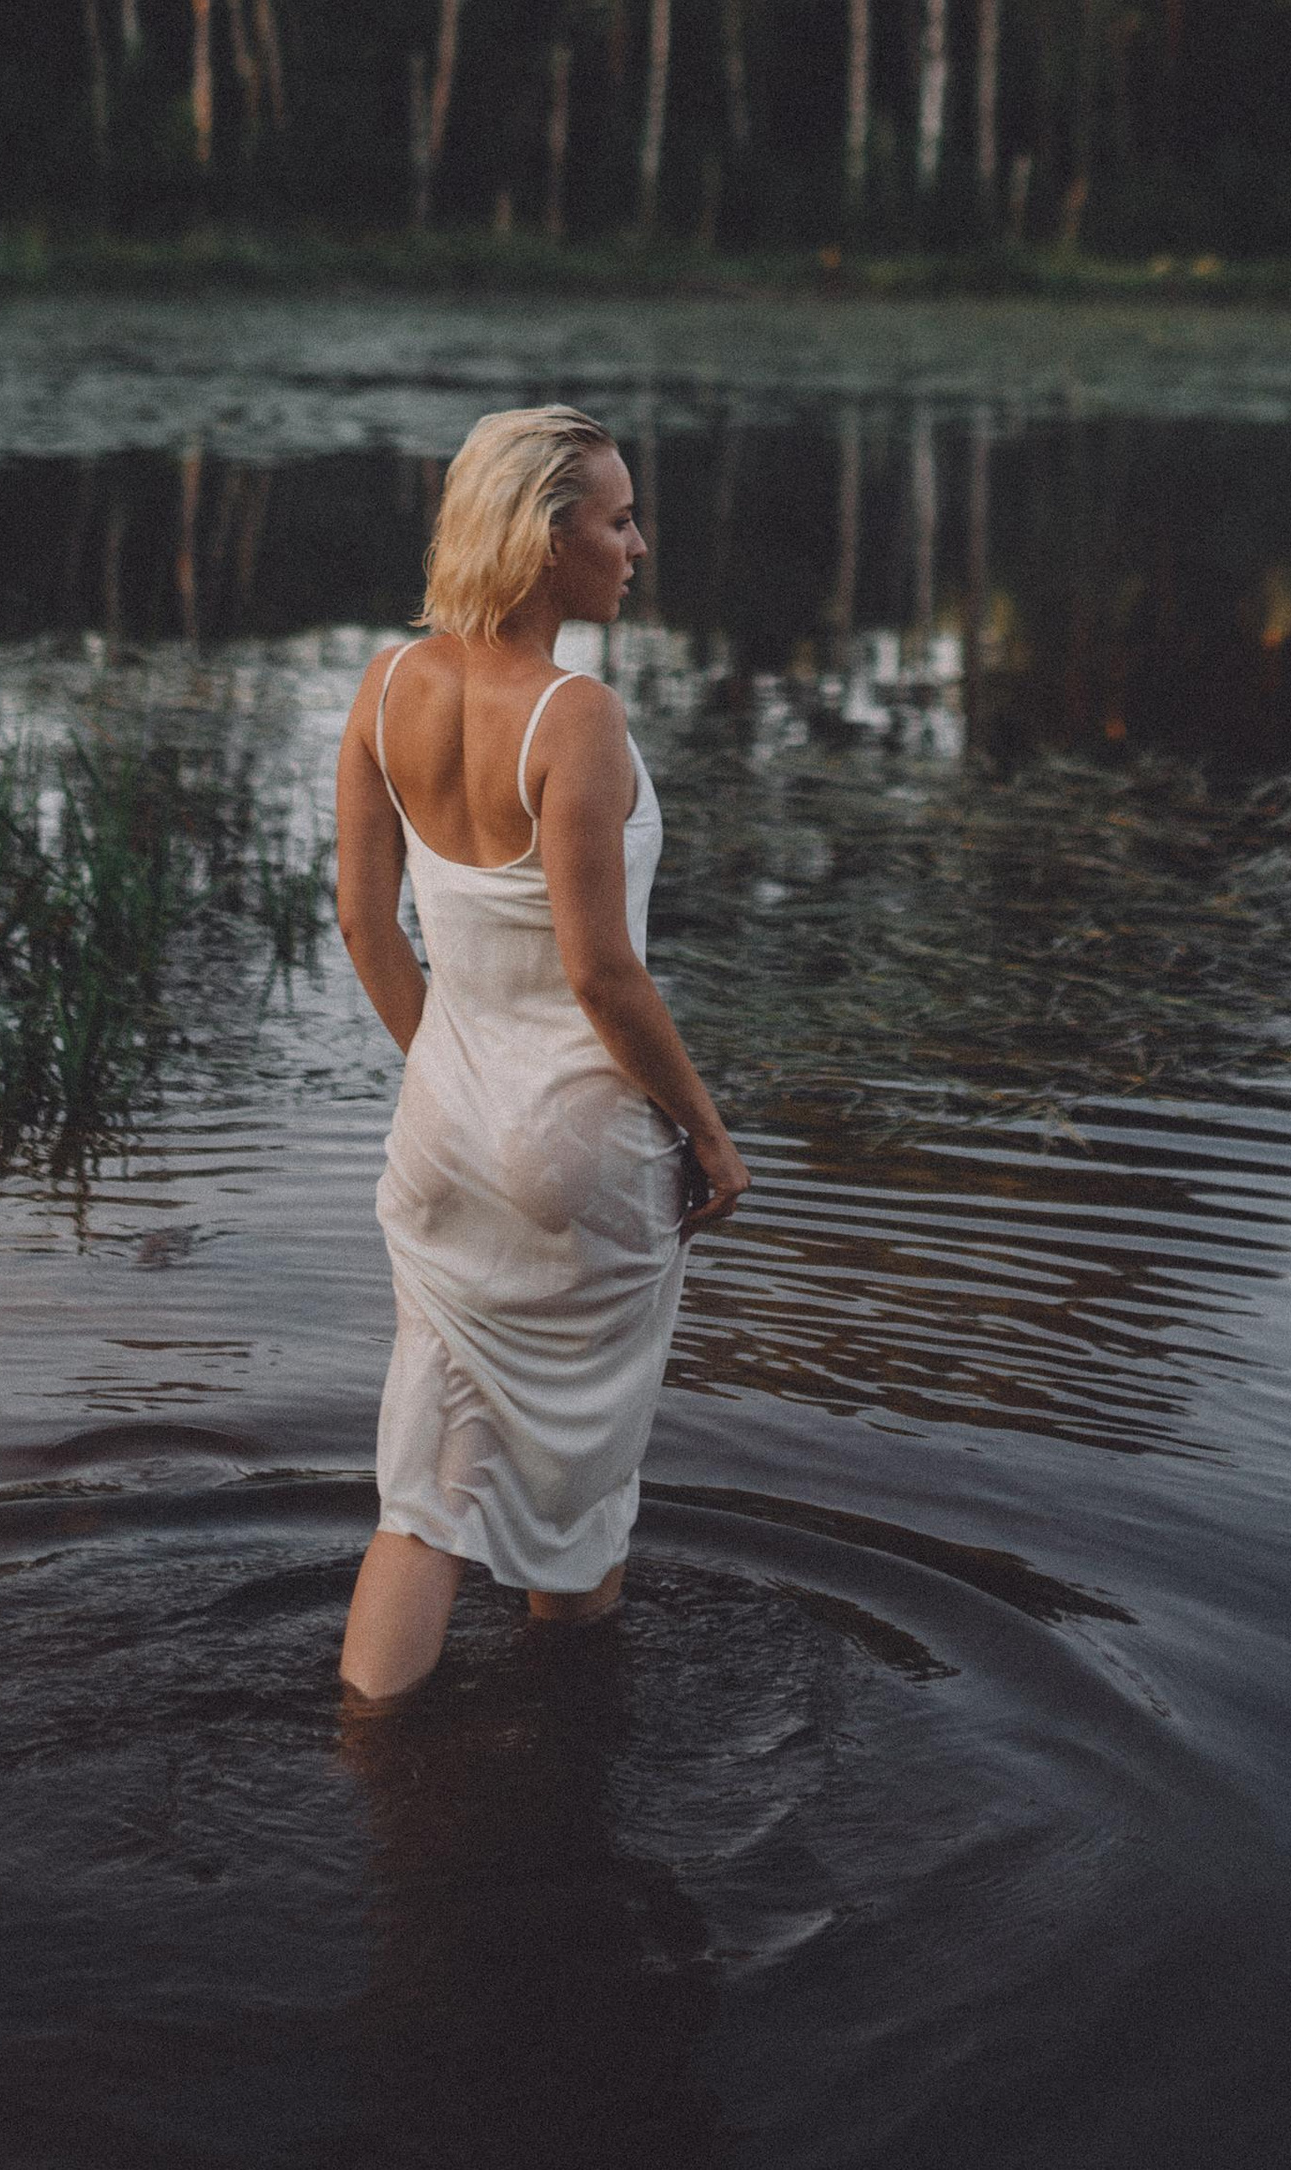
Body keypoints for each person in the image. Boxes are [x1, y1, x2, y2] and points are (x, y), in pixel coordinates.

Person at [333, 405, 748, 1703]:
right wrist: (710, 1134)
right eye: (617, 521)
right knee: (579, 1491)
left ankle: (368, 1753)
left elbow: (364, 922)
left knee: (424, 1496)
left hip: (440, 1140)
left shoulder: (387, 685)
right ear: (543, 538)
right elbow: (601, 971)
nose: (638, 546)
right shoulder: (577, 717)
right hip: (581, 1152)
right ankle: (564, 1755)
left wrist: (452, 1072)